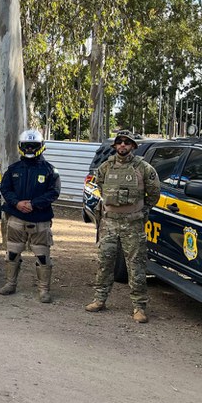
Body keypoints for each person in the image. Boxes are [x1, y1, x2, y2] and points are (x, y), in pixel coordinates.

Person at [85, 130, 161, 323]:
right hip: (109, 223)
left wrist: (140, 213)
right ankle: (99, 299)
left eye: (127, 143)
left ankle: (139, 307)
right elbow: (100, 187)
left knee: (136, 267)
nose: (123, 145)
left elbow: (153, 195)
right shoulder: (105, 167)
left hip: (133, 225)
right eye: (119, 142)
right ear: (115, 145)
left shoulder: (144, 168)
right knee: (105, 263)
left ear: (133, 146)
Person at [0, 129, 61, 303]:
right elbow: (5, 188)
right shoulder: (13, 169)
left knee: (42, 255)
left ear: (41, 147)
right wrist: (16, 203)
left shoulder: (50, 171)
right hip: (16, 218)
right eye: (27, 145)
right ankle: (10, 284)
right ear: (20, 146)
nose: (31, 149)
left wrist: (34, 204)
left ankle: (44, 290)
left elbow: (54, 192)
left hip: (40, 220)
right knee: (12, 252)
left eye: (34, 145)